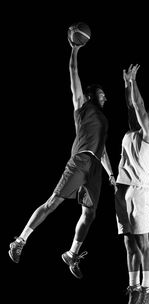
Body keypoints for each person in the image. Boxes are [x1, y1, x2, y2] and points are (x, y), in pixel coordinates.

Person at [8, 37, 116, 279]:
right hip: (80, 160)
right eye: (102, 94)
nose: (106, 97)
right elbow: (73, 71)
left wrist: (110, 172)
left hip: (96, 167)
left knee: (90, 214)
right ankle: (20, 240)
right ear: (91, 96)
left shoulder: (103, 120)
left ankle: (72, 253)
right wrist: (75, 50)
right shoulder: (82, 105)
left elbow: (104, 148)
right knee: (53, 203)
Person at [115, 64, 149, 304]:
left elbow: (139, 107)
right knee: (128, 244)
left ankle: (148, 289)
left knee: (143, 243)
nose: (138, 116)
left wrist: (135, 82)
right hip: (122, 193)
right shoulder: (130, 133)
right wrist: (126, 85)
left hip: (140, 192)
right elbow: (130, 107)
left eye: (144, 116)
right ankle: (134, 288)